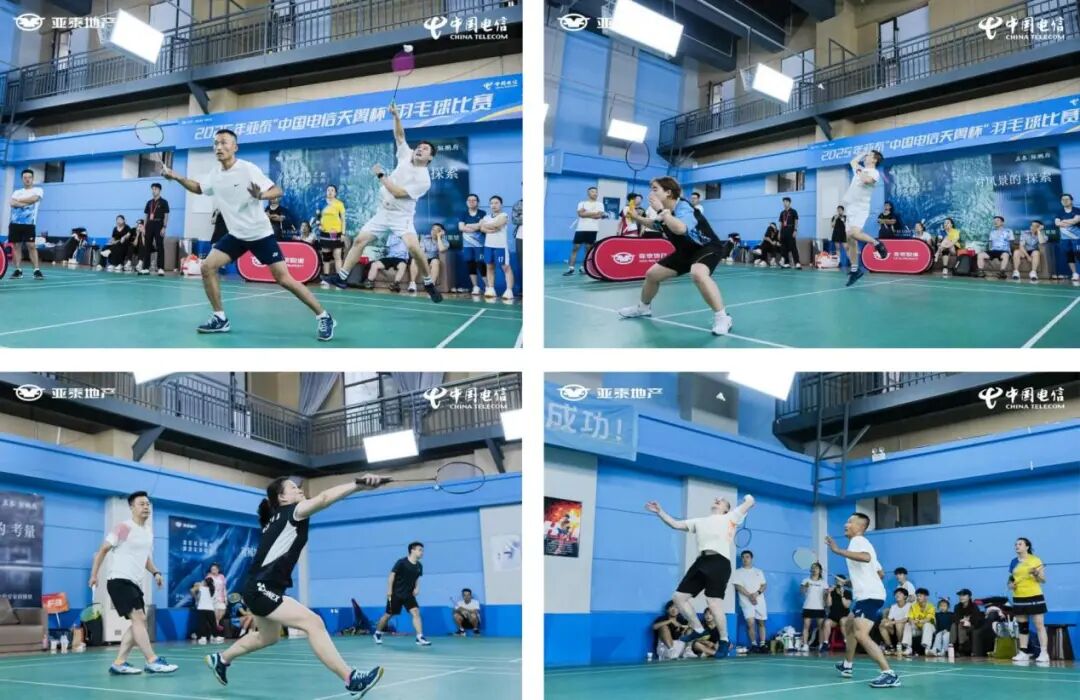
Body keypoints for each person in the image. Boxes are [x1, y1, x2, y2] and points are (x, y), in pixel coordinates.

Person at [204, 475, 386, 696]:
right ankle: (351, 678)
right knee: (314, 623)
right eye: (293, 487)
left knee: (268, 637)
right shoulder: (292, 511)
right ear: (282, 498)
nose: (299, 490)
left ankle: (222, 659)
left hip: (259, 587)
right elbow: (324, 498)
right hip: (261, 588)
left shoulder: (278, 519)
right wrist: (358, 485)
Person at [161, 129, 337, 341]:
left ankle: (324, 316)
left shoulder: (247, 169)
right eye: (216, 143)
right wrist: (176, 176)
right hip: (236, 234)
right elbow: (199, 188)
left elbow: (277, 190)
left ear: (235, 147)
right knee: (207, 267)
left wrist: (261, 195)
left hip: (259, 233)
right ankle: (220, 318)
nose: (219, 147)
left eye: (224, 143)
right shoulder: (215, 174)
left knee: (284, 279)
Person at [327, 104, 442, 302]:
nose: (420, 149)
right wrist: (396, 116)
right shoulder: (406, 155)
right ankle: (342, 277)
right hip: (383, 212)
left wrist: (381, 175)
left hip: (401, 217)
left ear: (430, 157)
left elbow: (397, 193)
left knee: (414, 248)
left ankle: (428, 283)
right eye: (419, 146)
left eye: (425, 149)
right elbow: (400, 136)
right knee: (360, 240)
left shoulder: (424, 180)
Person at [618, 177, 734, 335]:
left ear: (668, 192)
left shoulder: (683, 207)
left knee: (698, 273)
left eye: (655, 189)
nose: (651, 193)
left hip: (706, 247)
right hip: (685, 251)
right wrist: (637, 217)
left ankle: (723, 318)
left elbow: (680, 228)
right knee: (652, 275)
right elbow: (656, 225)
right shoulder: (664, 211)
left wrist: (661, 211)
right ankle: (643, 308)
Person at [645, 493, 756, 658]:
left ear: (726, 509)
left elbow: (750, 502)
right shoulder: (699, 521)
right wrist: (660, 511)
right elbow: (675, 524)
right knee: (678, 597)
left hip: (719, 562)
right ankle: (698, 628)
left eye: (722, 501)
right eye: (716, 499)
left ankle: (724, 640)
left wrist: (747, 497)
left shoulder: (730, 517)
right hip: (701, 561)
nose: (717, 500)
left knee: (713, 603)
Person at [88, 491, 178, 675]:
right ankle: (152, 660)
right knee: (139, 618)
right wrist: (94, 575)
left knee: (139, 621)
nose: (146, 507)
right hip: (118, 579)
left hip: (134, 582)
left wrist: (156, 572)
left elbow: (145, 558)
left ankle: (119, 663)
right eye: (141, 504)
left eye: (147, 504)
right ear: (131, 507)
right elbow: (103, 550)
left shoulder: (148, 532)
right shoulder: (123, 528)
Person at [826, 512, 900, 688]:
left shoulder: (858, 541)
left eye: (850, 522)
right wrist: (850, 582)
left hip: (869, 596)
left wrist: (837, 551)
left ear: (860, 527)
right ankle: (847, 665)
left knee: (860, 634)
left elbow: (865, 558)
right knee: (850, 625)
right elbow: (879, 573)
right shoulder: (863, 544)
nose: (846, 524)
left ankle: (889, 674)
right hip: (868, 595)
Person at [839, 150, 892, 287]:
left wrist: (859, 170)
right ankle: (855, 270)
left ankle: (877, 243)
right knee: (848, 240)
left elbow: (866, 180)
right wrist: (863, 153)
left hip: (860, 207)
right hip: (851, 207)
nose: (866, 157)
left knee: (854, 233)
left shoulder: (874, 173)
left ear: (874, 160)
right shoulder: (861, 168)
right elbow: (853, 162)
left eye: (869, 156)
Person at [372, 542, 431, 647]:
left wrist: (417, 588)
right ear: (412, 550)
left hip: (409, 595)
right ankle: (377, 633)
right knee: (388, 615)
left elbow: (417, 578)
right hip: (396, 594)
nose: (422, 552)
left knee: (416, 612)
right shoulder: (401, 562)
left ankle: (419, 637)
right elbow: (391, 576)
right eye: (420, 550)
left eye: (422, 550)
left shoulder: (419, 566)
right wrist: (389, 590)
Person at [1009, 536, 1049, 664]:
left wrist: (1036, 574)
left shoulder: (1035, 560)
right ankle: (1023, 652)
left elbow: (1043, 580)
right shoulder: (1013, 562)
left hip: (1034, 596)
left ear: (1027, 547)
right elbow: (1011, 579)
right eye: (1016, 544)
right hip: (1018, 597)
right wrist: (1010, 585)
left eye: (1020, 544)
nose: (1017, 546)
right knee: (1023, 626)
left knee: (1039, 625)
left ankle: (1044, 653)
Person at [7, 168, 45, 279]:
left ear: (33, 179)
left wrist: (19, 201)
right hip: (15, 223)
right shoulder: (16, 192)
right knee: (16, 246)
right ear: (22, 179)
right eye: (25, 177)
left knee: (31, 245)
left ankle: (36, 270)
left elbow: (34, 199)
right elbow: (12, 203)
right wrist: (26, 202)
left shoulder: (38, 190)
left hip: (29, 224)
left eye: (29, 177)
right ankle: (18, 270)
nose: (27, 179)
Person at [731, 550, 768, 653]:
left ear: (751, 558)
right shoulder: (737, 572)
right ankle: (754, 644)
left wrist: (756, 594)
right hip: (746, 602)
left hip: (759, 601)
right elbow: (738, 586)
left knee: (761, 622)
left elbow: (764, 585)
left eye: (747, 557)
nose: (744, 559)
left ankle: (763, 644)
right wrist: (750, 596)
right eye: (743, 557)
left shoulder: (758, 571)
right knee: (750, 623)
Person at [481, 195, 515, 300]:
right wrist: (487, 226)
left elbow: (497, 224)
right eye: (491, 203)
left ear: (501, 204)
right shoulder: (486, 217)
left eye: (496, 203)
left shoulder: (504, 215)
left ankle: (509, 290)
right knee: (489, 267)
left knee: (506, 267)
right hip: (488, 246)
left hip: (500, 247)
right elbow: (481, 228)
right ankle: (491, 289)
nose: (494, 205)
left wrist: (485, 225)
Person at [565, 187, 604, 275]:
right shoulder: (582, 203)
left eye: (596, 192)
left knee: (588, 249)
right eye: (593, 192)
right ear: (588, 193)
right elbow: (580, 214)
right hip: (581, 229)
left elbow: (599, 216)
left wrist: (586, 213)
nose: (595, 193)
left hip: (593, 229)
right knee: (576, 248)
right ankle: (571, 268)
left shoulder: (600, 204)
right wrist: (594, 213)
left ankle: (583, 268)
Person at [457, 193, 487, 294]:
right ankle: (475, 287)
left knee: (481, 264)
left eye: (474, 200)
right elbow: (461, 228)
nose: (471, 202)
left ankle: (488, 287)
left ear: (477, 202)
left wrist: (468, 225)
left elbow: (481, 227)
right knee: (470, 264)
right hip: (467, 245)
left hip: (479, 245)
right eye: (469, 200)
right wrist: (475, 226)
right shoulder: (463, 214)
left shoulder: (482, 213)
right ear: (466, 202)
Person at [140, 182, 170, 276]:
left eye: (155, 189)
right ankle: (145, 268)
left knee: (159, 246)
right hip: (149, 225)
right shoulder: (149, 202)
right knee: (147, 246)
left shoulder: (164, 202)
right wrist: (144, 227)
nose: (153, 191)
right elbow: (146, 216)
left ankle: (160, 268)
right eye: (152, 189)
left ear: (159, 190)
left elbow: (166, 215)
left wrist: (164, 227)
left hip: (159, 224)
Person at [409, 223, 447, 294]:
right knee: (414, 260)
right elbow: (421, 251)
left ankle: (431, 286)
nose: (434, 231)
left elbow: (441, 249)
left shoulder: (444, 241)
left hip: (434, 259)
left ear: (441, 232)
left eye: (437, 230)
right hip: (424, 258)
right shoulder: (425, 238)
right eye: (433, 229)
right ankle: (412, 284)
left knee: (435, 261)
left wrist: (439, 237)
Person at [318, 185, 346, 279]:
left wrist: (343, 233)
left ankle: (339, 277)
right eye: (328, 190)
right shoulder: (321, 203)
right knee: (326, 255)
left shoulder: (339, 204)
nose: (330, 192)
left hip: (336, 233)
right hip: (325, 233)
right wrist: (319, 225)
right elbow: (317, 216)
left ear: (335, 193)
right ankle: (326, 277)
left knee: (337, 255)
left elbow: (343, 219)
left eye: (332, 190)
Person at [800, 562, 828, 653]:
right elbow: (802, 592)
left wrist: (827, 594)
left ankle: (821, 645)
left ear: (820, 570)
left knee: (821, 627)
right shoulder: (805, 580)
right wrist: (805, 587)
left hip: (820, 607)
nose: (814, 569)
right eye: (812, 568)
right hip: (808, 606)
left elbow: (826, 596)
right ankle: (805, 645)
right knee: (806, 627)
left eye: (816, 568)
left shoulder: (823, 583)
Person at [822, 575, 853, 653]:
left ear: (844, 582)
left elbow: (846, 605)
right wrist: (829, 593)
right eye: (836, 580)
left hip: (845, 617)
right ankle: (825, 643)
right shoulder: (832, 592)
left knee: (842, 620)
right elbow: (828, 604)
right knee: (826, 622)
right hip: (834, 618)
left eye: (839, 580)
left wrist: (842, 595)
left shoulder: (847, 592)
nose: (837, 582)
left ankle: (846, 642)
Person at [1053, 192, 1080, 282]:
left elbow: (1076, 221)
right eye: (1063, 200)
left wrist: (1064, 221)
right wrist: (1070, 221)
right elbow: (1057, 223)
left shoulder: (1077, 210)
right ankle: (1075, 274)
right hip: (1065, 239)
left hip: (1077, 238)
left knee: (1078, 254)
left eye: (1067, 199)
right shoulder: (1059, 212)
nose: (1065, 201)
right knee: (1069, 255)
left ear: (1071, 200)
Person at [951, 588, 984, 656]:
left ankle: (961, 647)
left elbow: (977, 620)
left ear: (969, 597)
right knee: (954, 625)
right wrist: (961, 620)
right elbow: (955, 618)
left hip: (971, 626)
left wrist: (969, 622)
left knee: (960, 625)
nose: (961, 597)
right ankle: (952, 646)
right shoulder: (957, 606)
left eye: (963, 595)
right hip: (960, 626)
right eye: (960, 595)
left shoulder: (974, 606)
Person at [878, 588, 911, 655]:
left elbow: (905, 619)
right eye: (896, 594)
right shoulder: (893, 607)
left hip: (905, 628)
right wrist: (885, 621)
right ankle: (890, 646)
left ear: (905, 596)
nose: (897, 595)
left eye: (900, 594)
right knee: (882, 624)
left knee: (899, 625)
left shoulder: (909, 605)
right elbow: (889, 619)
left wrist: (893, 622)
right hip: (894, 628)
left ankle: (900, 645)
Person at [905, 587, 935, 656]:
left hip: (929, 629)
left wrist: (918, 621)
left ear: (926, 597)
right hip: (917, 629)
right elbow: (910, 618)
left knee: (927, 624)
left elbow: (928, 619)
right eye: (917, 596)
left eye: (920, 596)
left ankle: (927, 649)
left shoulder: (931, 606)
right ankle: (908, 648)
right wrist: (912, 622)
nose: (918, 598)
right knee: (907, 625)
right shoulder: (913, 606)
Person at [191, 573, 218, 645]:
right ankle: (215, 636)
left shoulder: (201, 588)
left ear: (205, 583)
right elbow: (215, 600)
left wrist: (195, 597)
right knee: (213, 624)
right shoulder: (213, 589)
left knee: (202, 624)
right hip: (210, 609)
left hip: (201, 608)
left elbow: (192, 590)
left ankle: (203, 637)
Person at [778, 197, 801, 269]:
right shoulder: (782, 213)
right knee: (784, 248)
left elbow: (796, 221)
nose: (784, 203)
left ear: (789, 203)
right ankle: (786, 263)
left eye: (786, 202)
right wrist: (779, 232)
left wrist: (795, 230)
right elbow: (780, 223)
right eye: (784, 202)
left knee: (793, 247)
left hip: (790, 230)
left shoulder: (793, 211)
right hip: (783, 231)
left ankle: (797, 263)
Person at [208, 562, 228, 637]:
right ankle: (214, 633)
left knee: (222, 612)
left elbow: (224, 588)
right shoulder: (209, 577)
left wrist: (225, 598)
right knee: (215, 616)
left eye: (214, 569)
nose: (213, 570)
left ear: (218, 569)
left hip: (221, 598)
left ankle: (216, 626)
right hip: (213, 599)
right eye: (212, 569)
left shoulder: (222, 576)